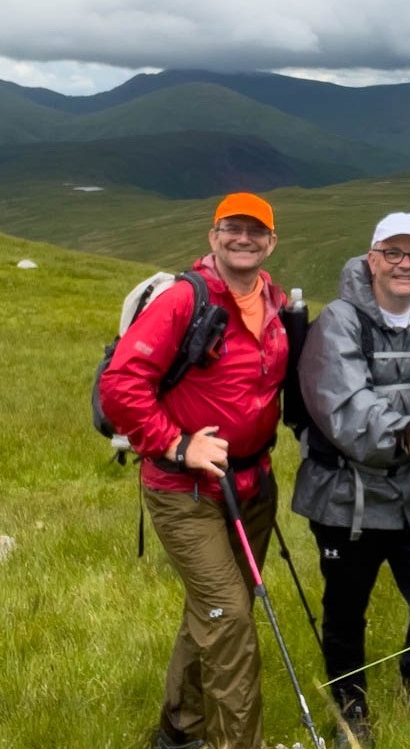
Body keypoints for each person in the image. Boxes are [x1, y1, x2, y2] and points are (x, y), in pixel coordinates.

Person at [99, 192, 288, 749]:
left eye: (256, 231)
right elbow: (120, 386)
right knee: (230, 620)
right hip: (186, 490)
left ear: (271, 241)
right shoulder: (187, 299)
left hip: (252, 483)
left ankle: (178, 731)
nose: (244, 239)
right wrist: (177, 445)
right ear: (213, 236)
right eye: (232, 228)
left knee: (212, 610)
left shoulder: (274, 301)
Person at [292, 212, 410, 746]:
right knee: (346, 609)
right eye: (393, 252)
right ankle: (350, 713)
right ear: (372, 257)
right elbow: (343, 404)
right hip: (347, 496)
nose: (404, 264)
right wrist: (405, 432)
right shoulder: (339, 321)